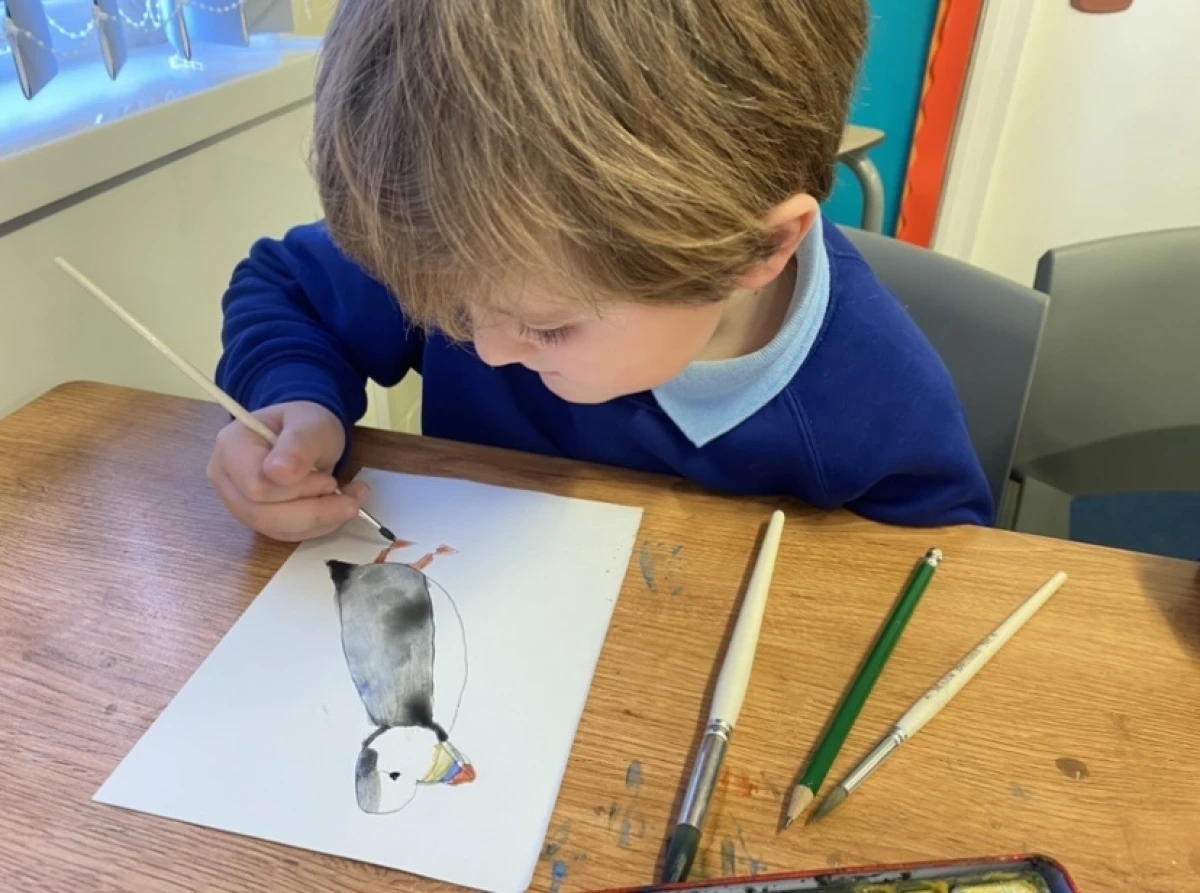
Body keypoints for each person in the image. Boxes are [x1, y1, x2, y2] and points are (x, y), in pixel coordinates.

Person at [208, 0, 993, 543]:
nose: (483, 351)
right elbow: (287, 287)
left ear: (758, 252)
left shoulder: (876, 396)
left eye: (547, 326)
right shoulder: (483, 253)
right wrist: (297, 406)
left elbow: (943, 575)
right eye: (452, 309)